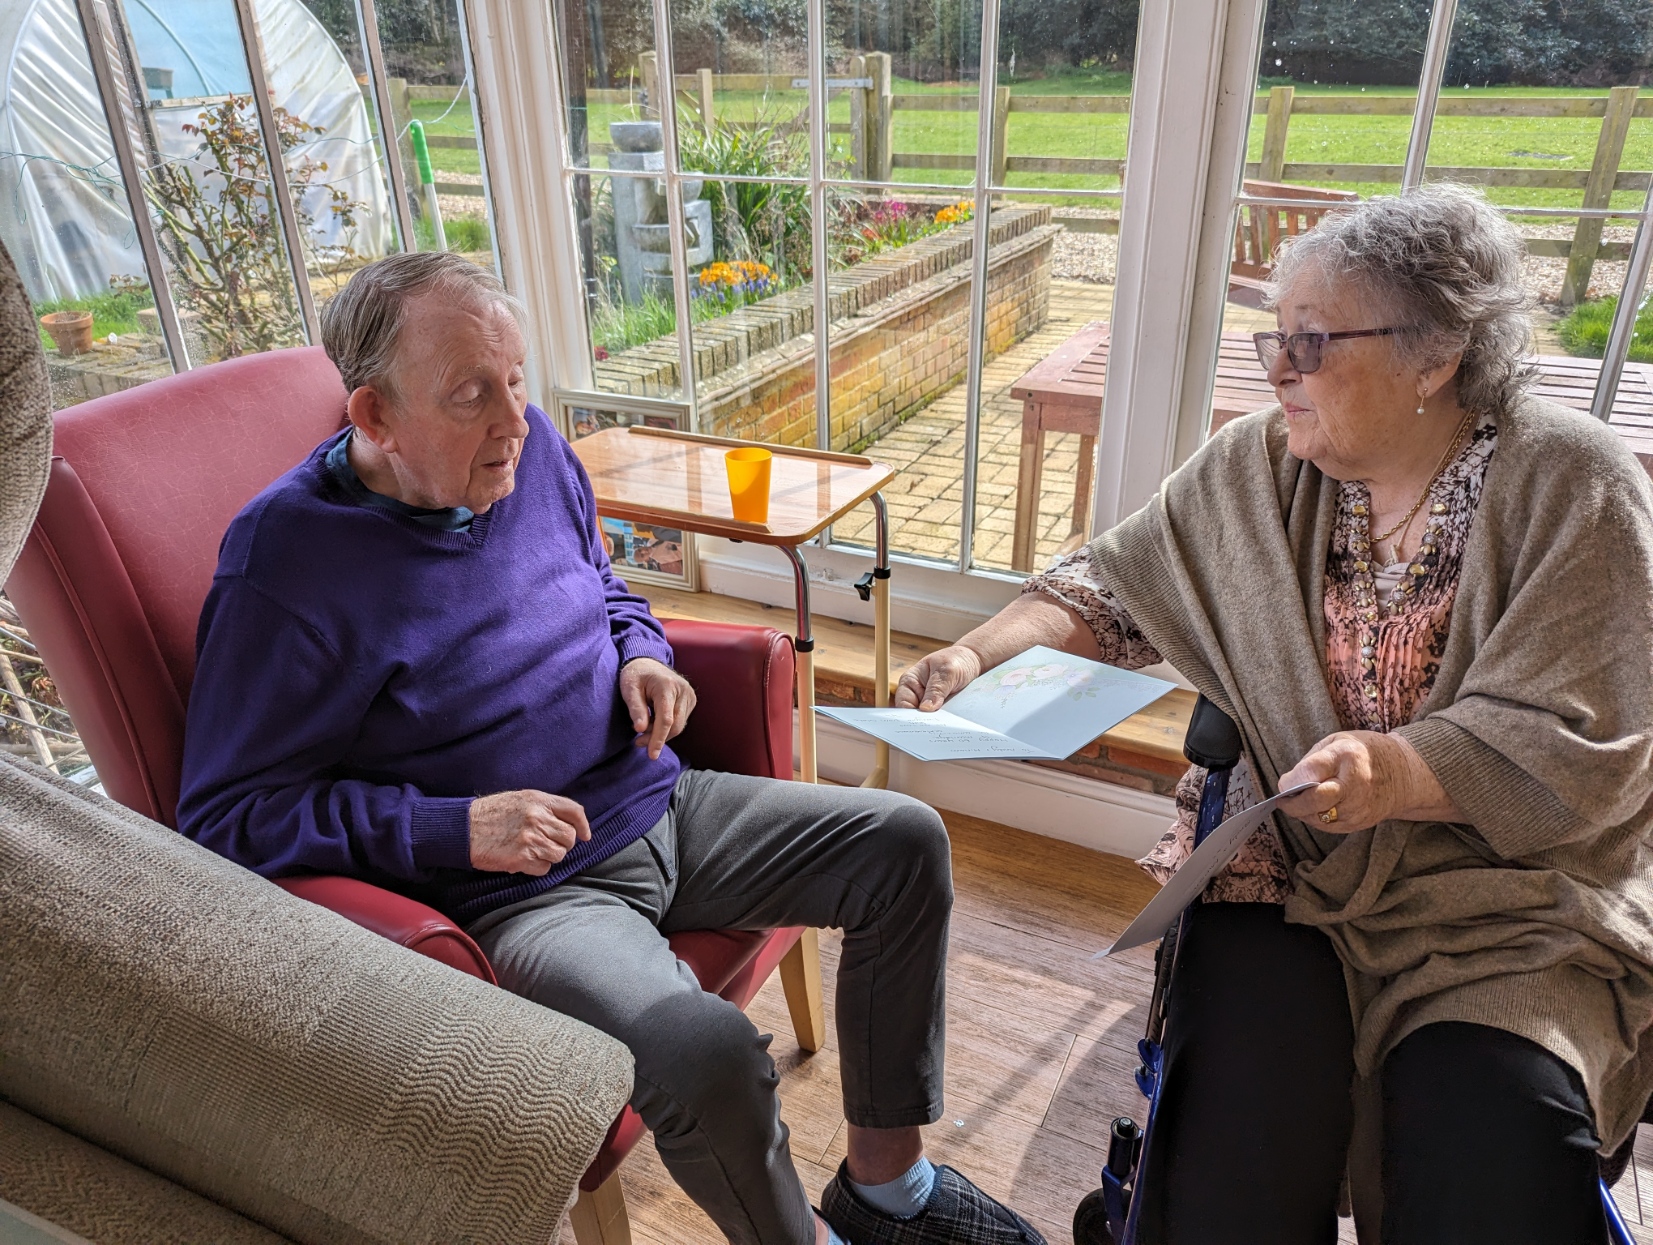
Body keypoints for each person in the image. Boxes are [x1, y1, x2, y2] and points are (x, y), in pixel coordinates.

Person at [177, 252, 1045, 1245]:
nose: (515, 419)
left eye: (517, 380)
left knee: (904, 841)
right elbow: (224, 816)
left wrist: (643, 655)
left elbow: (600, 581)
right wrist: (451, 829)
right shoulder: (286, 566)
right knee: (707, 1052)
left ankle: (889, 1194)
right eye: (472, 396)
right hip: (531, 895)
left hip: (657, 799)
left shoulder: (527, 446)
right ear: (374, 417)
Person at [896, 185, 1653, 1245]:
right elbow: (1111, 589)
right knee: (1233, 1154)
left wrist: (1397, 773)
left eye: (1310, 340)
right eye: (1272, 336)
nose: (1276, 368)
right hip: (1292, 866)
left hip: (1513, 911)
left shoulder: (1575, 485)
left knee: (1495, 1155)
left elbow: (1589, 742)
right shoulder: (1263, 465)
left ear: (1435, 355)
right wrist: (977, 651)